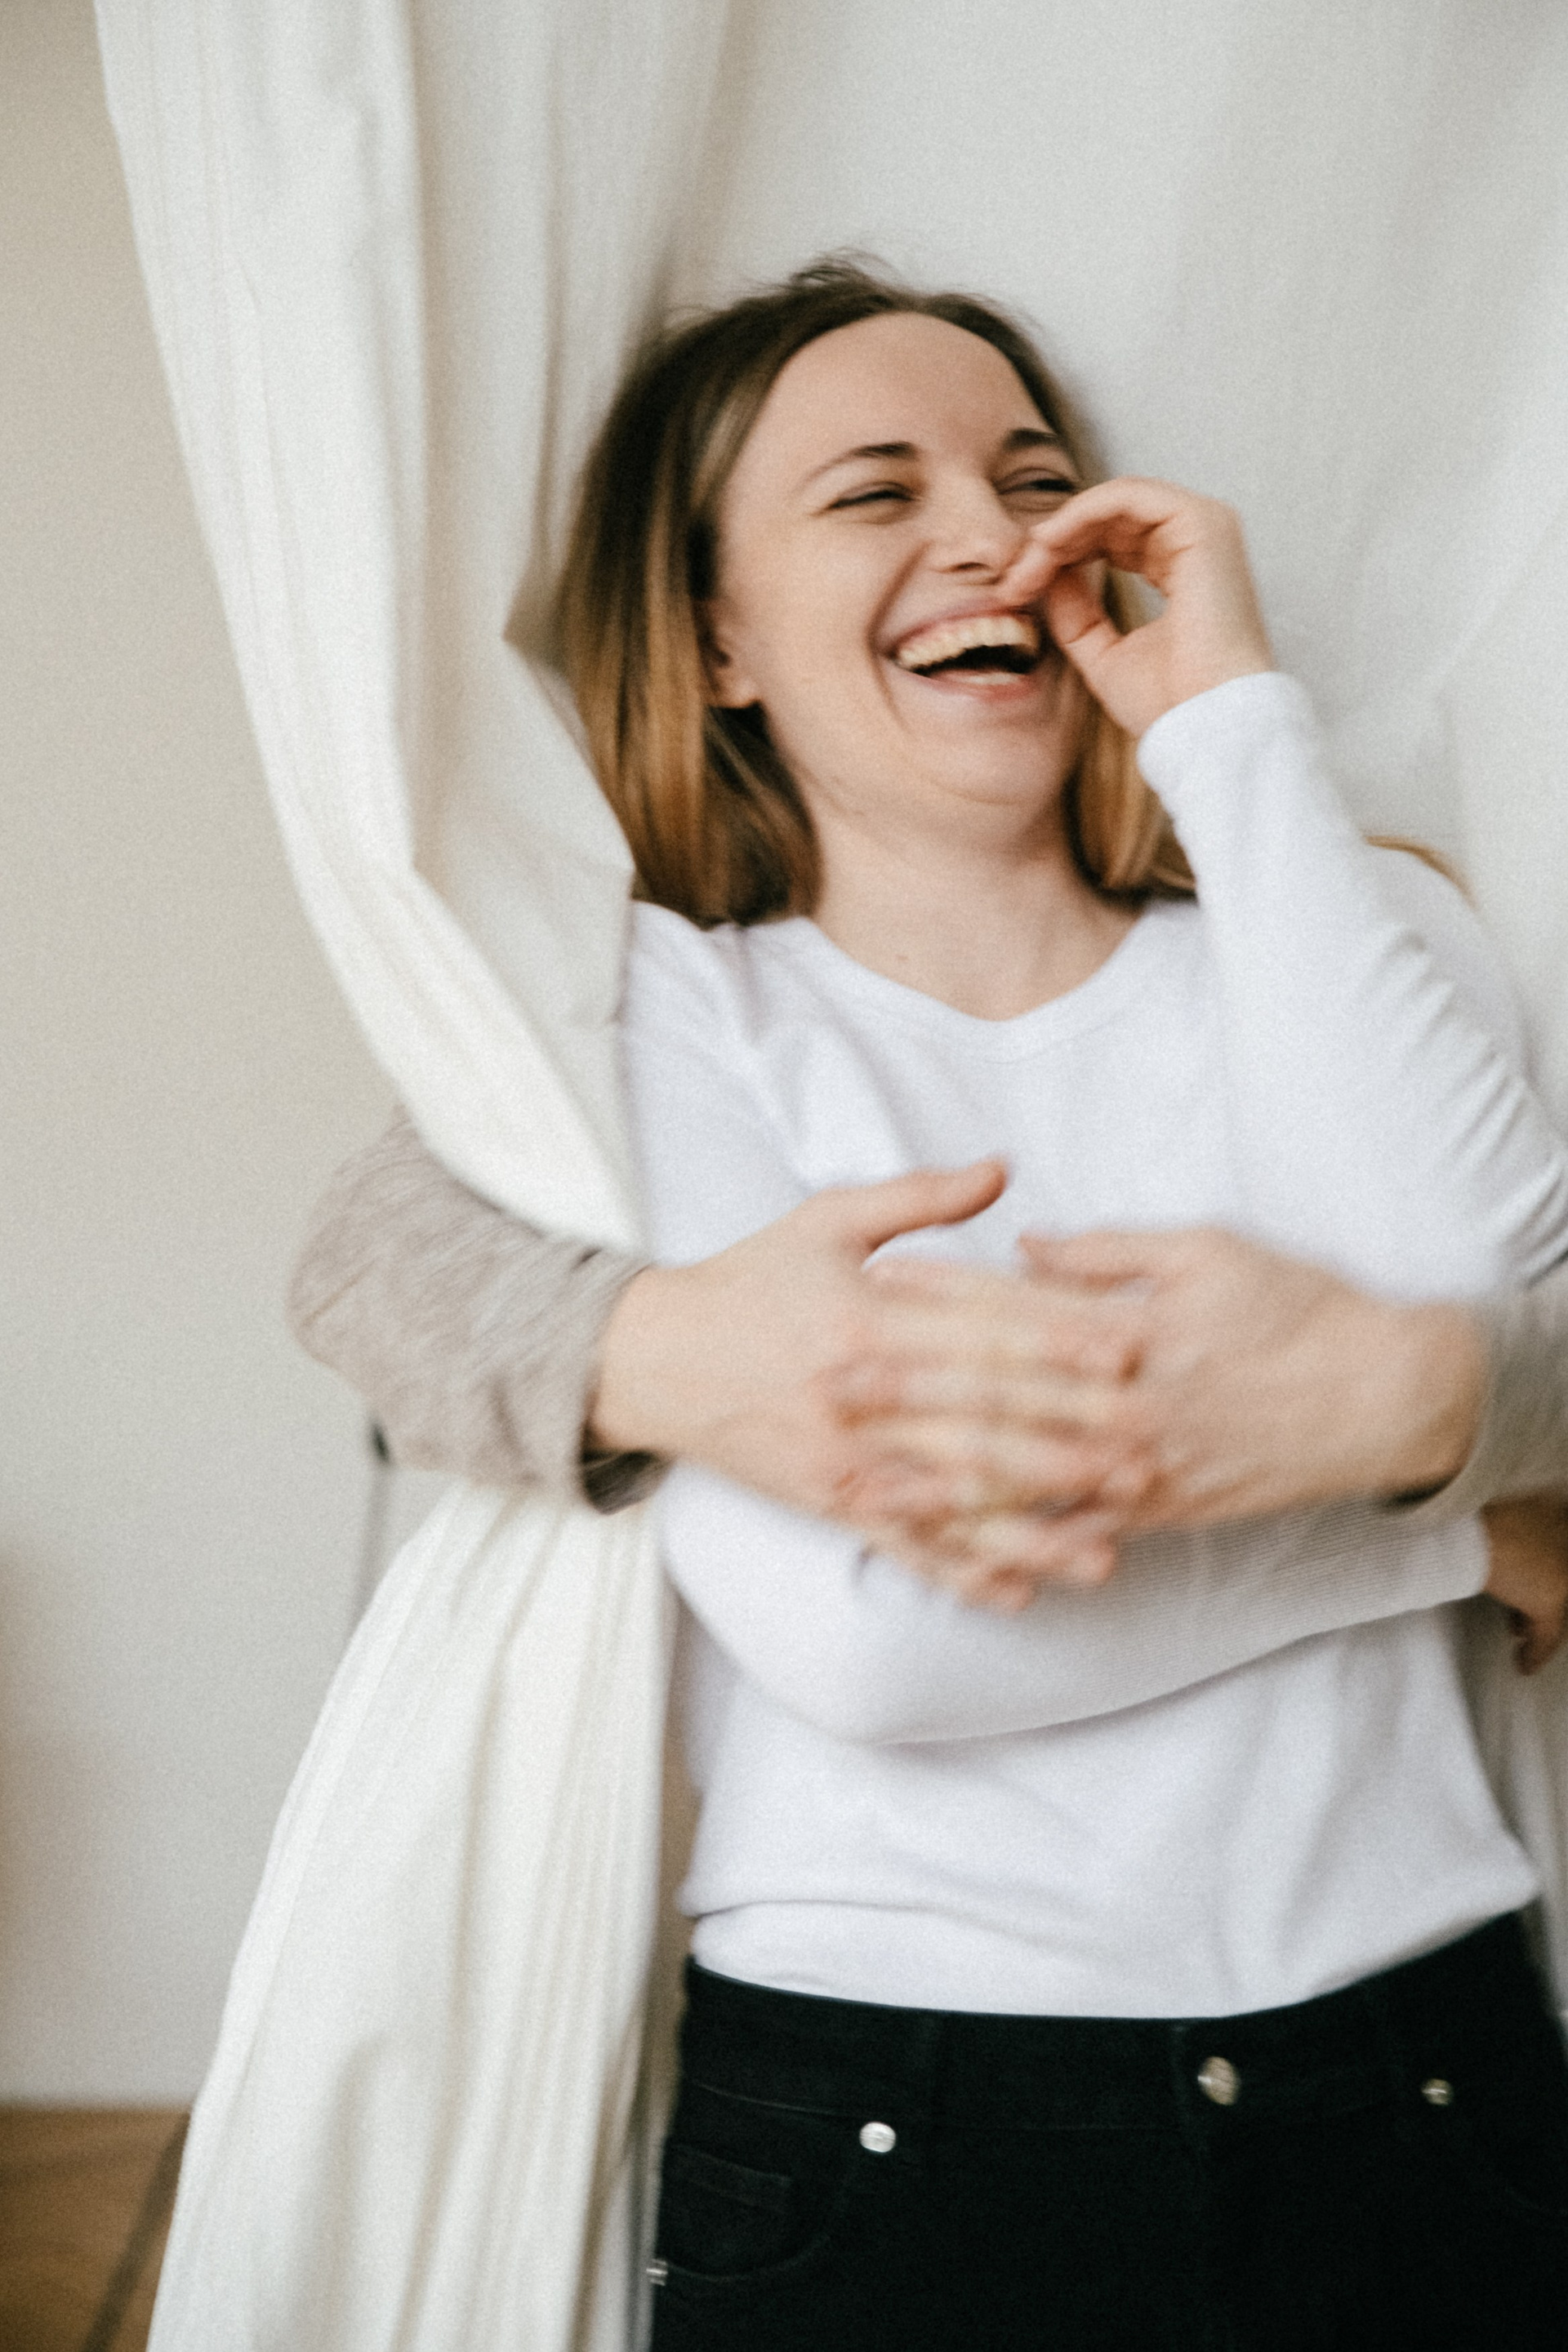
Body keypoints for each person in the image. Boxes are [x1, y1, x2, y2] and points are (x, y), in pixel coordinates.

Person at [293, 262, 1568, 2345]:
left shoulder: (1354, 923)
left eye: (1034, 480)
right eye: (875, 492)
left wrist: (1234, 735)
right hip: (902, 2119)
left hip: (1428, 2074)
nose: (990, 535)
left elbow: (1490, 1324)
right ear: (717, 636)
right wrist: (1436, 1529)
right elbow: (885, 1643)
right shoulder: (655, 1018)